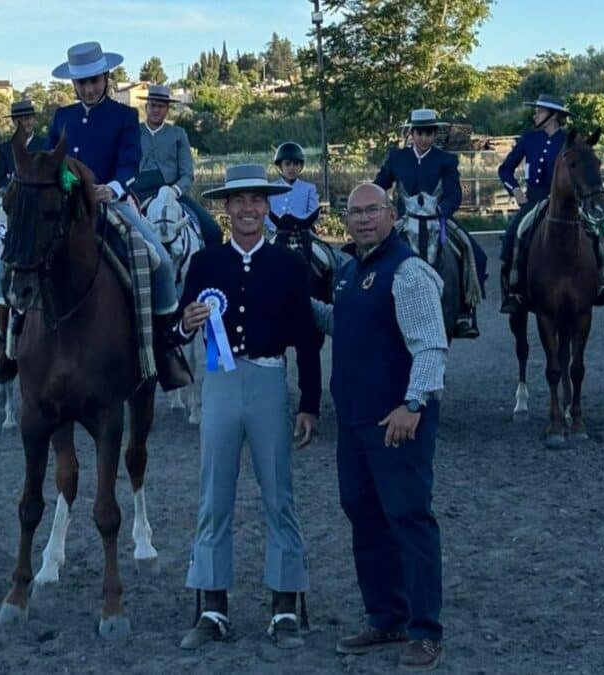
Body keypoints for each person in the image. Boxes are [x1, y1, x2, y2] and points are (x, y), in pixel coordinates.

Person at [0, 41, 191, 390]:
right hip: (62, 203)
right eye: (83, 83)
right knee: (10, 259)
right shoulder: (63, 116)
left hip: (110, 200)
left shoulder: (125, 116)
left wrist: (114, 188)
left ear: (106, 77)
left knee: (161, 260)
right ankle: (6, 342)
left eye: (95, 80)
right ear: (73, 85)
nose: (90, 88)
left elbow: (129, 162)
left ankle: (166, 348)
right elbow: (49, 160)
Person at [175, 164, 322, 651]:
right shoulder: (204, 263)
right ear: (226, 207)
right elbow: (175, 328)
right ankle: (213, 605)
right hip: (219, 382)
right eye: (238, 201)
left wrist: (310, 404)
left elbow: (306, 339)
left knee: (278, 494)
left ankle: (283, 606)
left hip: (267, 380)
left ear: (267, 206)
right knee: (214, 495)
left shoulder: (289, 266)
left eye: (257, 200)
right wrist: (185, 324)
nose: (248, 209)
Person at [310, 183, 447, 672]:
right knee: (364, 517)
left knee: (408, 518)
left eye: (373, 210)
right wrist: (298, 302)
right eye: (355, 212)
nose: (364, 219)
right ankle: (386, 615)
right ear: (345, 219)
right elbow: (340, 325)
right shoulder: (350, 273)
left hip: (397, 422)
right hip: (354, 422)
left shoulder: (408, 272)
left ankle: (426, 631)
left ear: (391, 214)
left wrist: (413, 404)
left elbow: (430, 344)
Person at [498, 94, 604, 312]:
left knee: (601, 234)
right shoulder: (528, 138)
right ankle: (513, 290)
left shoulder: (570, 140)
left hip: (567, 202)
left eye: (540, 111)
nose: (535, 114)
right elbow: (504, 169)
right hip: (534, 200)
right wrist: (515, 191)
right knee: (513, 235)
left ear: (553, 115)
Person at [374, 109, 486, 339]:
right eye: (420, 133)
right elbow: (379, 185)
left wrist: (441, 210)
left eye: (429, 133)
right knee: (375, 253)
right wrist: (381, 207)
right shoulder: (397, 158)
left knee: (474, 252)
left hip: (438, 217)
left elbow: (454, 195)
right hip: (406, 220)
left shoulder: (446, 160)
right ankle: (374, 305)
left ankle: (465, 312)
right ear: (412, 133)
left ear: (434, 135)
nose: (424, 138)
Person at [135, 84, 222, 246]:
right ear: (146, 107)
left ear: (167, 109)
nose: (156, 110)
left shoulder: (178, 134)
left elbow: (187, 173)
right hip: (138, 194)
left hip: (171, 193)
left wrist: (174, 190)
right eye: (153, 105)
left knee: (213, 231)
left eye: (161, 106)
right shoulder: (133, 132)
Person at [267, 142, 320, 234]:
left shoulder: (309, 188)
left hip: (302, 232)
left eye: (296, 164)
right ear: (280, 166)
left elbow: (313, 213)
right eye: (287, 164)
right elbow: (266, 214)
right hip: (274, 233)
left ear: (301, 167)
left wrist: (298, 224)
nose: (292, 168)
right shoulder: (271, 188)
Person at [0, 100, 46, 189]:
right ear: (13, 122)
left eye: (28, 118)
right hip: (15, 198)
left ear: (34, 120)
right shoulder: (4, 149)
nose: (25, 123)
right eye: (20, 120)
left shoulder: (46, 145)